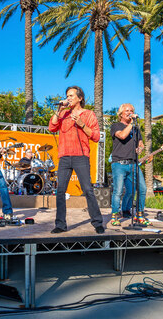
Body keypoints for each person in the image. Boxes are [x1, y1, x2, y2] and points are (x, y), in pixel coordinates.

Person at [48, 86, 104, 234]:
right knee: (60, 191)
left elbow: (96, 136)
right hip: (64, 156)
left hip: (81, 156)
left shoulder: (89, 114)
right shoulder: (63, 114)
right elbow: (52, 127)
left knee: (88, 190)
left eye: (71, 95)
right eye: (67, 96)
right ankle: (60, 225)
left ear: (80, 98)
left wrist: (82, 124)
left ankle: (98, 223)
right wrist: (59, 110)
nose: (68, 98)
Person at [109, 103, 151, 227]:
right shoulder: (116, 126)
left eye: (131, 110)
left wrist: (140, 148)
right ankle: (115, 216)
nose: (129, 112)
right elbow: (122, 136)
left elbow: (141, 143)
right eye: (127, 110)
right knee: (118, 191)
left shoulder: (136, 129)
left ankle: (139, 215)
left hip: (133, 164)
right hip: (119, 164)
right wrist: (131, 123)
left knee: (142, 188)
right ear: (121, 114)